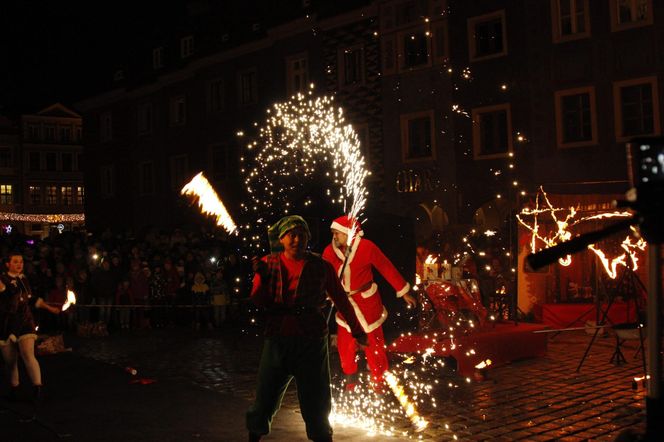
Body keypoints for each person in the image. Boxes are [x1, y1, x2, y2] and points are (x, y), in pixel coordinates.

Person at [246, 215, 367, 442]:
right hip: (278, 339)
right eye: (291, 234)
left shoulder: (321, 266)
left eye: (302, 234)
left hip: (311, 340)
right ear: (281, 239)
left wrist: (357, 330)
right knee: (265, 396)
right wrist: (260, 277)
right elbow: (258, 300)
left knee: (317, 399)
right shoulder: (268, 263)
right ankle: (254, 435)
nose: (297, 239)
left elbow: (341, 300)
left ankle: (323, 437)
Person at [322, 215, 417, 391]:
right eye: (333, 233)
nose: (334, 237)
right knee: (345, 346)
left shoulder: (367, 247)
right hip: (345, 306)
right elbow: (323, 275)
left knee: (374, 345)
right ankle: (351, 381)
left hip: (368, 304)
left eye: (338, 233)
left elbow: (386, 267)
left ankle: (378, 381)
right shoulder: (329, 252)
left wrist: (403, 291)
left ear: (349, 233)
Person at [0, 252, 60, 402]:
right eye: (15, 262)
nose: (19, 264)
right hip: (6, 323)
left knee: (28, 354)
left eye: (20, 261)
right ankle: (14, 388)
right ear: (8, 264)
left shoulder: (24, 280)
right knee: (10, 361)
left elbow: (31, 299)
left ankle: (37, 388)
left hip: (25, 321)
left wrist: (49, 308)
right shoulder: (2, 279)